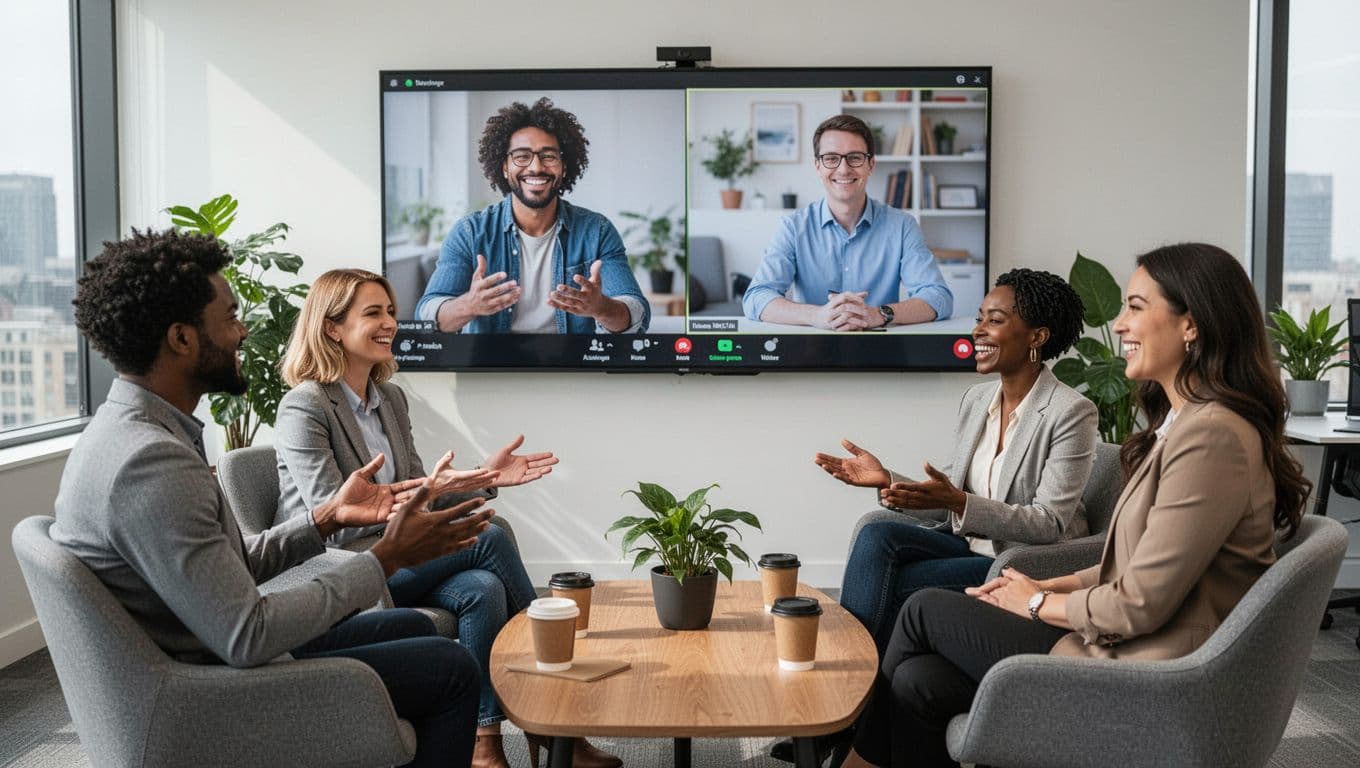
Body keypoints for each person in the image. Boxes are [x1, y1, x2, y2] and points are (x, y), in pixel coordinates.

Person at [839, 243, 1311, 768]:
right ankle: (855, 736)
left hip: (1149, 665)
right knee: (916, 676)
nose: (1118, 323)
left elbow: (1136, 602)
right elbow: (1125, 562)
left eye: (1135, 306)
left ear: (1191, 326)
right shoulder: (1183, 427)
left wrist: (1037, 604)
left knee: (921, 608)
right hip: (1116, 634)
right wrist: (1046, 585)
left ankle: (849, 748)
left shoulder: (1212, 438)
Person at [53, 229, 493, 768]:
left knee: (413, 625)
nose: (243, 331)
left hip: (205, 645)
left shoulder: (131, 432)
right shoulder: (150, 462)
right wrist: (385, 557)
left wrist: (326, 517)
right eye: (231, 316)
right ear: (181, 338)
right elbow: (247, 634)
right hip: (210, 688)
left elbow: (237, 565)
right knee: (451, 669)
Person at [275, 268, 618, 768]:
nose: (390, 322)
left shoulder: (389, 399)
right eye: (373, 313)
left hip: (400, 554)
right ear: (332, 327)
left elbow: (422, 493)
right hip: (342, 563)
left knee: (483, 588)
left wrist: (482, 478)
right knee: (491, 533)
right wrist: (445, 488)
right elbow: (338, 517)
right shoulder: (305, 406)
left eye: (391, 311)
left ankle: (485, 740)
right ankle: (553, 711)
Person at [815, 268, 1096, 653]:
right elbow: (947, 499)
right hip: (968, 546)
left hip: (1019, 560)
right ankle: (856, 671)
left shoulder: (1070, 411)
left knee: (896, 585)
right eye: (979, 318)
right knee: (876, 532)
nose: (978, 330)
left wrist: (959, 503)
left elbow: (1049, 523)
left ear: (1038, 336)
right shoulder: (976, 400)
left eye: (994, 320)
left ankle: (851, 674)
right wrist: (887, 480)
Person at [416, 97, 649, 334]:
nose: (536, 167)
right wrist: (468, 305)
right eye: (521, 156)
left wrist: (601, 307)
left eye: (548, 156)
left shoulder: (597, 231)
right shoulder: (470, 232)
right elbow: (426, 318)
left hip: (574, 367)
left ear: (564, 166)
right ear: (504, 167)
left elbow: (637, 314)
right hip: (490, 367)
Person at [741, 114, 952, 330]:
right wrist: (817, 315)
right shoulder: (793, 227)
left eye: (855, 157)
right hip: (809, 353)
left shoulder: (902, 226)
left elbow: (938, 297)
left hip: (883, 353)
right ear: (818, 166)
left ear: (871, 165)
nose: (843, 169)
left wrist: (878, 314)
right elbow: (757, 297)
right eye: (831, 158)